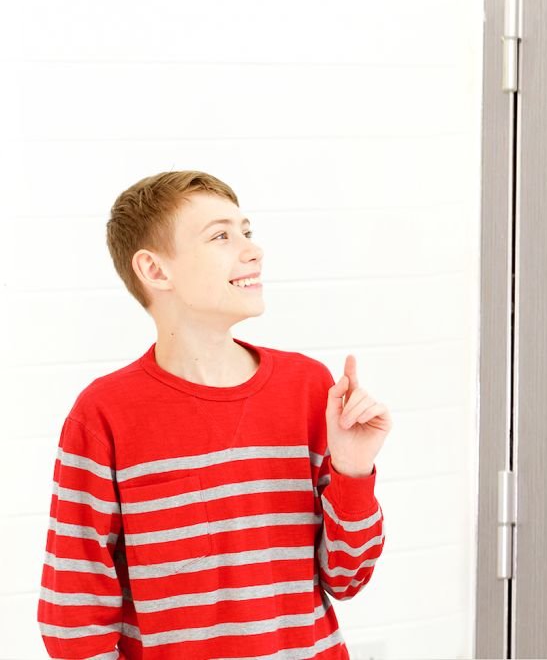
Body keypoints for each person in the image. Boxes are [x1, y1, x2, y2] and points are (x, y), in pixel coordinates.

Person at [37, 171, 392, 659]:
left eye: (247, 231)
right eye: (221, 236)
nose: (253, 249)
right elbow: (75, 614)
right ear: (155, 269)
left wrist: (353, 471)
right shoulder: (104, 414)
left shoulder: (310, 389)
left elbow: (348, 578)